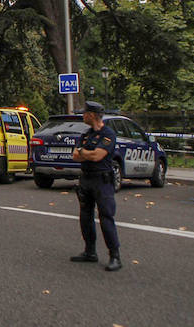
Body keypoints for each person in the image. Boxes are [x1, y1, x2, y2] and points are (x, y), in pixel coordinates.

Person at [71, 101, 122, 272]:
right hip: (86, 179)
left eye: (84, 113)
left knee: (106, 217)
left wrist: (84, 153)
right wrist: (87, 154)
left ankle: (115, 255)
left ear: (92, 115)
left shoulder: (108, 134)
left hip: (102, 181)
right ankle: (90, 251)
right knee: (85, 217)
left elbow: (97, 156)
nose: (83, 116)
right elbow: (75, 156)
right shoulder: (86, 134)